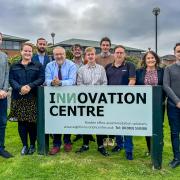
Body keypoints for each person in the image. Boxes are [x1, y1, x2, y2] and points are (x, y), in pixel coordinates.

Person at [9, 43, 45, 155]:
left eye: (29, 51)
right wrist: (20, 88)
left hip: (32, 97)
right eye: (25, 51)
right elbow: (11, 80)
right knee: (22, 123)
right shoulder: (14, 66)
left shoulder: (37, 65)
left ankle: (33, 145)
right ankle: (25, 145)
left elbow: (41, 78)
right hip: (18, 98)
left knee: (32, 123)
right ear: (21, 52)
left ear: (32, 53)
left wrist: (30, 86)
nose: (27, 53)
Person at [76, 47, 109, 156]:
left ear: (95, 55)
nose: (90, 56)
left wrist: (97, 92)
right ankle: (85, 144)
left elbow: (105, 83)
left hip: (99, 100)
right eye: (88, 54)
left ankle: (101, 146)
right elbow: (79, 84)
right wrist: (88, 91)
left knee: (99, 123)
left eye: (92, 54)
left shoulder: (101, 69)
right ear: (86, 56)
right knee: (85, 123)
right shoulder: (81, 69)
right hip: (86, 100)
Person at [105, 45, 136, 160]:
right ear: (114, 54)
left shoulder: (130, 65)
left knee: (127, 125)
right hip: (111, 101)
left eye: (121, 53)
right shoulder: (108, 66)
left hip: (125, 101)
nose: (119, 54)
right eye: (117, 52)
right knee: (115, 124)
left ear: (125, 54)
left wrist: (124, 95)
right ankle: (119, 145)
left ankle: (129, 149)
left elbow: (132, 81)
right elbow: (105, 83)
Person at [45, 46, 77, 155]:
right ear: (53, 55)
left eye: (61, 54)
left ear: (65, 54)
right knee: (56, 120)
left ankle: (67, 141)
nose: (59, 56)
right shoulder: (49, 65)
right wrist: (52, 82)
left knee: (67, 119)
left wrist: (60, 83)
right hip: (54, 97)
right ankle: (56, 144)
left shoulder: (71, 65)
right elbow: (47, 80)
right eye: (56, 54)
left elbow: (72, 81)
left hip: (68, 97)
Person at [136, 50, 164, 156]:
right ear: (145, 60)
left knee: (158, 126)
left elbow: (165, 86)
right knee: (147, 126)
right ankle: (150, 149)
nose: (150, 60)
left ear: (156, 59)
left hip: (158, 104)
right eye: (148, 58)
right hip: (144, 104)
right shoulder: (139, 71)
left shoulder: (162, 71)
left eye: (152, 58)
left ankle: (158, 148)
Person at [163, 42, 180, 168]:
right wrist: (177, 101)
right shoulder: (168, 69)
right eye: (178, 51)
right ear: (175, 53)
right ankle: (177, 158)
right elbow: (166, 86)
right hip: (173, 106)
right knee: (174, 133)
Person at [96, 37, 115, 147]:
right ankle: (102, 142)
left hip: (111, 90)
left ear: (110, 46)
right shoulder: (96, 57)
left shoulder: (113, 57)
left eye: (107, 45)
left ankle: (111, 142)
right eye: (103, 45)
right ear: (100, 46)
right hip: (99, 92)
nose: (105, 47)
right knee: (101, 118)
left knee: (112, 118)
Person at [0, 32, 13, 158]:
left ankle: (1, 148)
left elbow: (6, 74)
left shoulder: (4, 56)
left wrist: (4, 90)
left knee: (2, 122)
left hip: (2, 96)